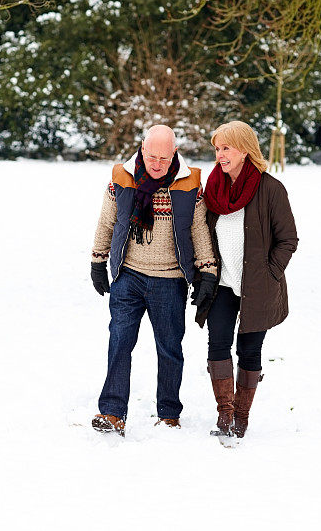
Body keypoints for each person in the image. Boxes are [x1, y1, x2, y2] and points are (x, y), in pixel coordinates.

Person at [90, 125, 217, 437]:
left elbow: (198, 230)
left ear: (174, 153)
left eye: (164, 157)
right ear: (141, 150)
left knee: (170, 348)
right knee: (119, 342)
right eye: (151, 156)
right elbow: (107, 222)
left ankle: (169, 414)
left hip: (170, 280)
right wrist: (97, 261)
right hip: (129, 276)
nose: (157, 163)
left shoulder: (189, 183)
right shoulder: (122, 177)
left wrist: (208, 272)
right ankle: (112, 413)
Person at [191, 120, 298, 439]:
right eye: (217, 149)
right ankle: (224, 414)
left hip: (258, 287)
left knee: (249, 352)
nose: (220, 155)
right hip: (222, 283)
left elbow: (288, 239)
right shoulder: (213, 188)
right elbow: (203, 233)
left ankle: (242, 416)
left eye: (226, 148)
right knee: (217, 344)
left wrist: (270, 273)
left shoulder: (270, 188)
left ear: (244, 150)